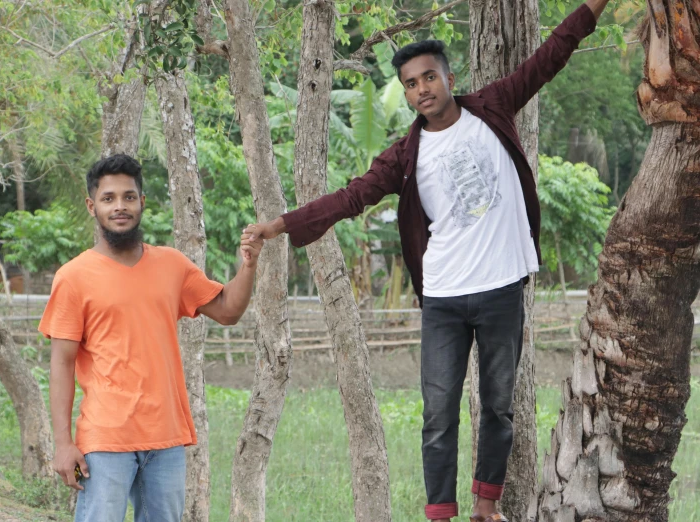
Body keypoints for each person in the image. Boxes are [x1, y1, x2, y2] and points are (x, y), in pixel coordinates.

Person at [246, 1, 612, 521]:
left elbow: (551, 56)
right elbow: (350, 198)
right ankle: (439, 512)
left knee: (498, 406)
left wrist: (593, 6)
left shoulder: (493, 107)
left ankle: (487, 507)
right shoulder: (405, 155)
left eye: (429, 77)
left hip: (502, 288)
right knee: (438, 414)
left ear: (448, 77)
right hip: (442, 296)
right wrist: (279, 225)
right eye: (412, 83)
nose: (422, 89)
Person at [39, 154, 263, 522]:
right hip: (105, 438)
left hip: (166, 439)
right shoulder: (73, 276)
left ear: (142, 202)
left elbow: (228, 310)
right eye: (109, 198)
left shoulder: (172, 265)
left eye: (129, 197)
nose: (120, 206)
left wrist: (249, 265)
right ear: (91, 205)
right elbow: (61, 363)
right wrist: (63, 444)